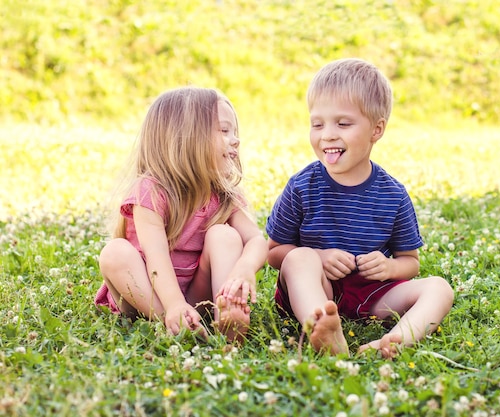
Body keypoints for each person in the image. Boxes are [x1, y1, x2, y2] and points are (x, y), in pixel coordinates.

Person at [266, 58, 454, 358]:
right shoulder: (302, 186)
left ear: (376, 130)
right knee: (299, 257)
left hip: (371, 293)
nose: (327, 134)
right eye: (317, 124)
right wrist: (318, 256)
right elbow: (274, 252)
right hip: (314, 288)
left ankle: (394, 341)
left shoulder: (393, 194)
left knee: (439, 288)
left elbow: (410, 261)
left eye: (343, 123)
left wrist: (390, 267)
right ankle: (324, 328)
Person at [95, 86, 268, 344]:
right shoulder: (150, 192)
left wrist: (244, 269)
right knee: (114, 253)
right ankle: (175, 322)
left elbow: (256, 239)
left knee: (225, 235)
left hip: (198, 295)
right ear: (185, 137)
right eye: (223, 130)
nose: (235, 139)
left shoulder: (222, 193)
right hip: (147, 295)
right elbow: (156, 257)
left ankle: (227, 310)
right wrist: (174, 304)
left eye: (234, 131)